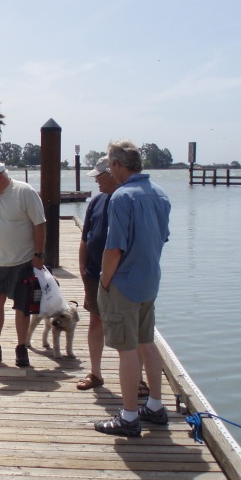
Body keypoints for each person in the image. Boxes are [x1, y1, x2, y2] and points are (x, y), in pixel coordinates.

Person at [94, 140, 171, 437]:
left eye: (110, 165)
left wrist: (104, 282)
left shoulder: (122, 197)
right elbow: (162, 238)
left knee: (126, 350)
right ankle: (155, 406)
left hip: (123, 284)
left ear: (116, 164)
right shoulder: (160, 194)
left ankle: (128, 417)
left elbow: (114, 249)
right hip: (149, 281)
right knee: (146, 342)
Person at [0, 160, 46, 367]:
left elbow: (40, 224)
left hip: (23, 260)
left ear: (0, 177)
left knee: (22, 307)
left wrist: (39, 255)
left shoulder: (24, 192)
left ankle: (21, 348)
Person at [76, 156, 118, 390]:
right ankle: (96, 373)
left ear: (112, 173)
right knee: (95, 321)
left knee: (128, 326)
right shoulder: (96, 201)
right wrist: (82, 269)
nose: (96, 182)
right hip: (93, 274)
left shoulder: (126, 201)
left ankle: (138, 379)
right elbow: (86, 238)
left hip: (120, 276)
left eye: (100, 177)